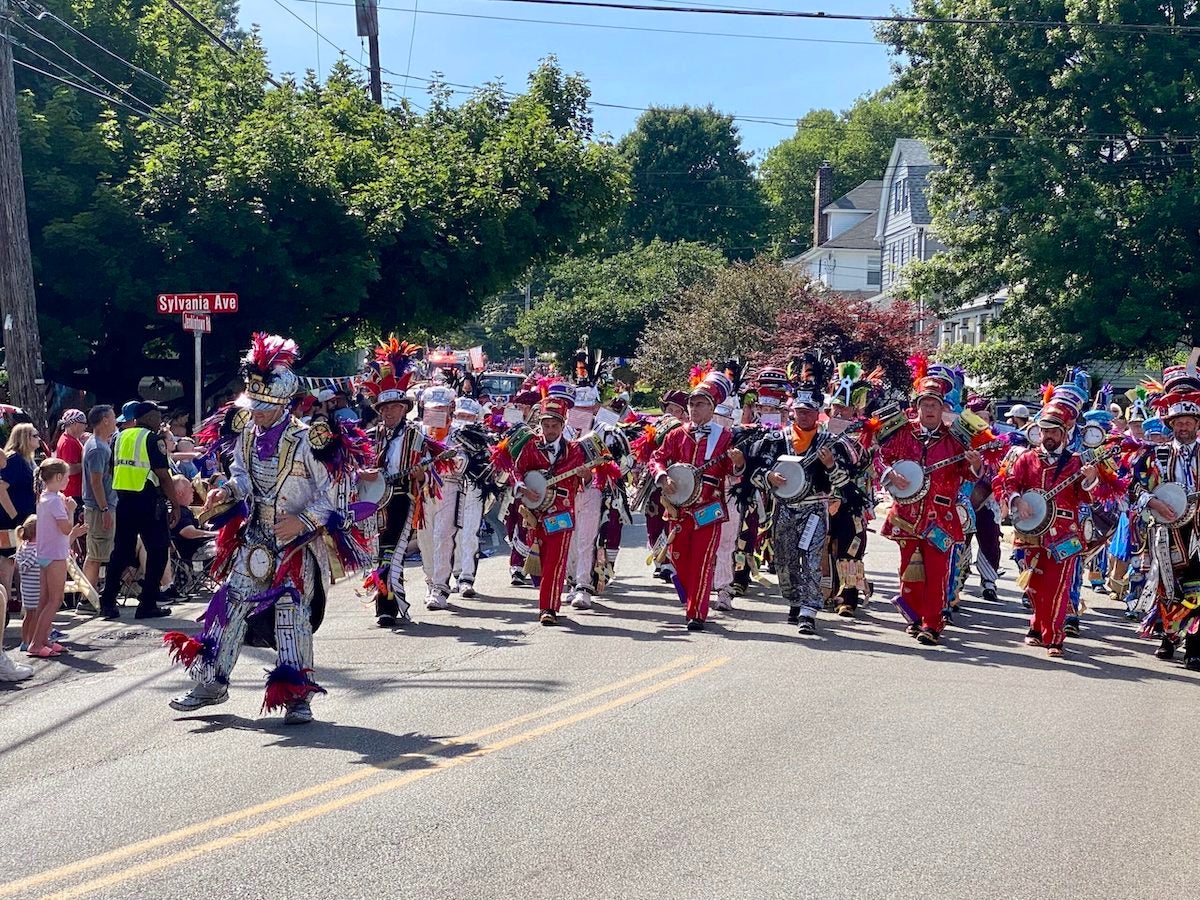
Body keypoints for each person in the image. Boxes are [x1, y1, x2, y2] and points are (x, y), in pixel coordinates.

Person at [165, 333, 352, 723]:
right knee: (229, 605)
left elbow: (333, 494)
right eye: (255, 406)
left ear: (283, 404)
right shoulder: (248, 432)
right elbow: (243, 478)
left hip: (298, 545)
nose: (258, 414)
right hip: (255, 538)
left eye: (265, 408)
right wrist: (227, 491)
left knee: (291, 615)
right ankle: (211, 682)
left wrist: (301, 521)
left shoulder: (308, 440)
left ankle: (298, 697)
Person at [878, 365, 982, 646]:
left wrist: (975, 466)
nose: (929, 410)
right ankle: (913, 617)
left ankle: (932, 623)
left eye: (934, 404)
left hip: (941, 517)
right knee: (908, 571)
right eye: (925, 404)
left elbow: (969, 473)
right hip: (906, 515)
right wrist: (890, 475)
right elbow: (879, 459)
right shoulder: (901, 433)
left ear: (942, 407)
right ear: (916, 407)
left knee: (937, 572)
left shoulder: (956, 438)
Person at [745, 368, 846, 635]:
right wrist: (770, 477)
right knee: (785, 559)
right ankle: (794, 600)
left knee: (811, 558)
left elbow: (844, 481)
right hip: (784, 509)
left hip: (814, 508)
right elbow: (754, 472)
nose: (804, 416)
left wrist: (830, 464)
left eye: (809, 412)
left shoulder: (829, 441)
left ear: (818, 413)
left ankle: (809, 610)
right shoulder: (777, 439)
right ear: (793, 412)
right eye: (800, 411)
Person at [1005, 389, 1100, 657]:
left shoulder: (1077, 462)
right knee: (1034, 584)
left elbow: (1088, 498)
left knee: (1058, 587)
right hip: (1031, 531)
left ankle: (1055, 637)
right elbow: (1010, 483)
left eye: (1054, 432)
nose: (1048, 436)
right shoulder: (1026, 458)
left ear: (1064, 434)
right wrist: (1017, 500)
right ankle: (1037, 626)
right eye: (1044, 431)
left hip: (1064, 534)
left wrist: (1090, 478)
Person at [650, 369, 746, 631]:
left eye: (700, 404)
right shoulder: (676, 434)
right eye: (691, 403)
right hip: (679, 508)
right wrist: (662, 477)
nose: (693, 408)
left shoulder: (724, 436)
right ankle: (693, 598)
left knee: (703, 561)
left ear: (712, 408)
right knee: (679, 558)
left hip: (709, 507)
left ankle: (696, 612)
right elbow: (656, 458)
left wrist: (737, 465)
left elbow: (732, 472)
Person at [358, 337, 431, 627]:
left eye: (394, 408)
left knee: (391, 550)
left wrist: (421, 474)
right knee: (379, 551)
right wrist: (363, 475)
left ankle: (385, 607)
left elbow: (429, 472)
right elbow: (358, 466)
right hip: (374, 500)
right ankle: (390, 600)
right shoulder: (372, 436)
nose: (389, 413)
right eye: (384, 409)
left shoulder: (417, 436)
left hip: (402, 497)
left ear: (404, 409)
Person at [1130, 365, 1200, 668]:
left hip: (1198, 531)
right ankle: (1168, 637)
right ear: (1170, 424)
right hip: (1166, 529)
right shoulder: (1153, 455)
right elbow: (1134, 488)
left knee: (1198, 588)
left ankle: (1196, 646)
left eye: (1188, 421)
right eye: (1178, 422)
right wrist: (1155, 503)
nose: (1183, 426)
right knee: (1168, 587)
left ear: (1197, 424)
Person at [95, 401, 176, 621]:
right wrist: (175, 504)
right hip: (149, 502)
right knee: (158, 552)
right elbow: (163, 475)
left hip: (124, 502)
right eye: (157, 415)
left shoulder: (119, 438)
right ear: (148, 417)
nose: (160, 420)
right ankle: (147, 603)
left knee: (120, 553)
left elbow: (112, 469)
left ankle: (108, 602)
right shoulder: (152, 439)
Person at [513, 396, 586, 625]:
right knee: (539, 560)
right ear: (540, 424)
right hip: (534, 512)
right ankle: (548, 598)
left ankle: (548, 608)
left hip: (562, 513)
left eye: (555, 426)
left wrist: (587, 475)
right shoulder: (530, 446)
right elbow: (516, 473)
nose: (550, 430)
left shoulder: (574, 450)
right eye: (546, 425)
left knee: (555, 561)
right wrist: (523, 489)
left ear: (563, 426)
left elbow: (587, 478)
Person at [26, 459, 88, 658]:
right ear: (59, 477)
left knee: (45, 600)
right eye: (67, 477)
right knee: (55, 599)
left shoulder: (45, 497)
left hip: (45, 553)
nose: (68, 480)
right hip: (55, 555)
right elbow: (65, 528)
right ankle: (36, 643)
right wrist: (71, 510)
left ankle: (43, 640)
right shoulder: (53, 500)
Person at [80, 405, 118, 601]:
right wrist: (104, 509)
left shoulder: (99, 444)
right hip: (99, 508)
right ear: (104, 420)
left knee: (97, 552)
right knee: (95, 555)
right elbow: (96, 481)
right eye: (112, 417)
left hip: (102, 507)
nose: (115, 421)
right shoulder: (97, 448)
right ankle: (87, 599)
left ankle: (90, 597)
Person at [15, 516, 39, 651]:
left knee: (28, 615)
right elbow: (27, 565)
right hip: (36, 587)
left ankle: (25, 641)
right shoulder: (37, 549)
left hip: (26, 587)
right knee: (35, 615)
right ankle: (33, 639)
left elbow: (19, 565)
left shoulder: (22, 547)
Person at [54, 409, 87, 508]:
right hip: (73, 492)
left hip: (71, 490)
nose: (85, 427)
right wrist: (86, 464)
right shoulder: (69, 443)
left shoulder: (68, 438)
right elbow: (70, 469)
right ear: (76, 424)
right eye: (84, 423)